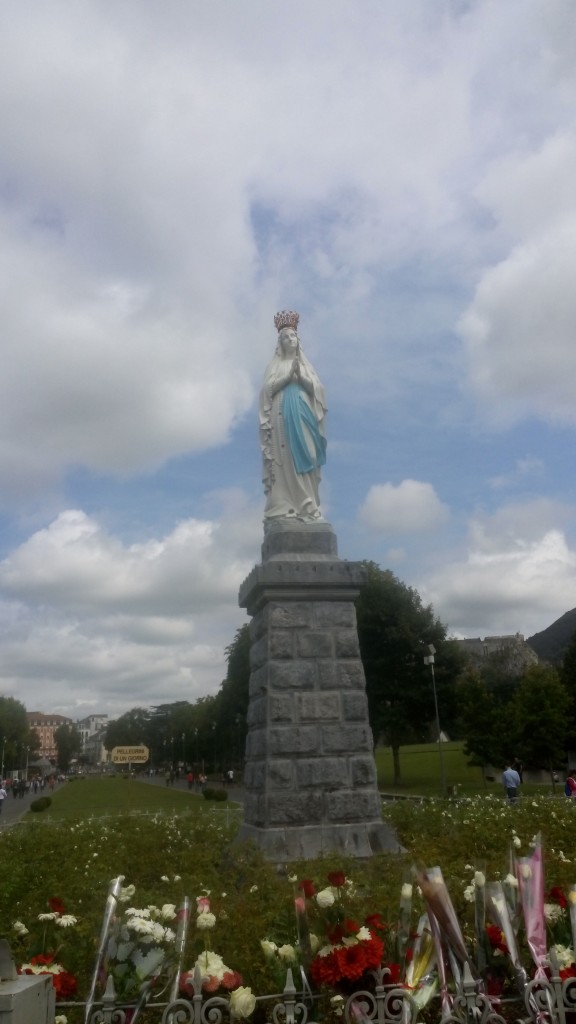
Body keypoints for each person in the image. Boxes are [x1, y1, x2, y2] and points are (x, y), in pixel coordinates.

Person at [259, 310, 327, 520]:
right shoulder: (275, 366)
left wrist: (302, 379)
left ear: (298, 340)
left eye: (292, 336)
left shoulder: (307, 366)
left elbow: (318, 391)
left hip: (303, 410)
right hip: (282, 415)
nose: (290, 339)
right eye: (285, 337)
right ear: (280, 343)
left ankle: (310, 504)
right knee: (285, 457)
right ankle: (291, 504)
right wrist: (288, 377)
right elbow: (266, 391)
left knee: (309, 454)